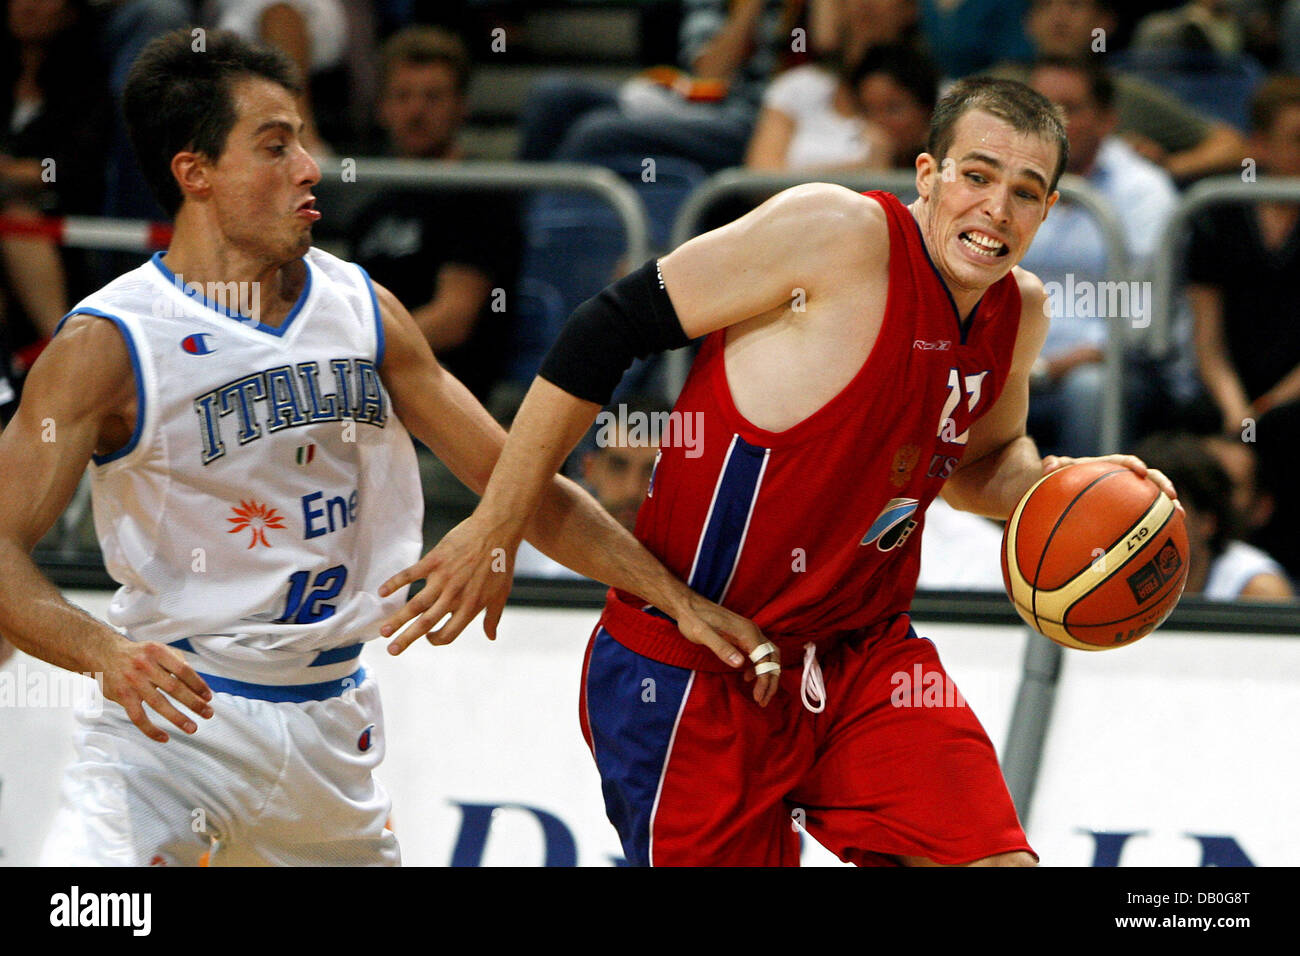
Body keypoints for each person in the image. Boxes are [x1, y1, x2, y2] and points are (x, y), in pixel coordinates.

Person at [0, 29, 765, 868]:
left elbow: (520, 486)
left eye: (303, 139)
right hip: (173, 726)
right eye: (275, 146)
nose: (309, 168)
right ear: (196, 173)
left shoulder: (363, 308)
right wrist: (99, 650)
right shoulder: (110, 343)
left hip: (334, 731)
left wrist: (670, 596)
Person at [382, 76, 1179, 866]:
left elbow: (981, 466)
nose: (997, 210)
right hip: (701, 664)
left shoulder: (1020, 310)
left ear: (1049, 210)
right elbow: (608, 326)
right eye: (977, 176)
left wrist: (1066, 488)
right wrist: (494, 523)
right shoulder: (833, 232)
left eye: (1026, 192)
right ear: (930, 176)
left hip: (865, 658)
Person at [1019, 56, 1180, 457]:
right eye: (1036, 109)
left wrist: (1046, 369)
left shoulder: (1144, 192)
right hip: (1010, 367)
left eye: (1068, 110)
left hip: (1113, 370)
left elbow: (1141, 324)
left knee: (1089, 390)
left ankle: (1089, 517)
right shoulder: (1002, 183)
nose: (1049, 124)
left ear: (1107, 119)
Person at [351, 26, 520, 405]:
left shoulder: (483, 196)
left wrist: (357, 352)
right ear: (382, 108)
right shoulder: (371, 211)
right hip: (374, 387)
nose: (416, 111)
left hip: (449, 395)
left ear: (462, 106)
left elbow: (453, 320)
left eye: (433, 97)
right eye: (402, 96)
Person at [1184, 73, 1300, 581]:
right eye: (1297, 138)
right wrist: (1236, 409)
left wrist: (1267, 408)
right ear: (1259, 145)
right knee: (1187, 430)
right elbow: (1207, 341)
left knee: (1287, 432)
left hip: (1292, 393)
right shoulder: (1219, 218)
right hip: (1229, 385)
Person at [514, 395, 669, 579]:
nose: (632, 490)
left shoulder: (705, 567)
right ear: (590, 469)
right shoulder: (536, 561)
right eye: (617, 466)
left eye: (652, 471)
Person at [1133, 432, 1293, 601]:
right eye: (1143, 510)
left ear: (1207, 521)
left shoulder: (1258, 589)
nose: (1149, 525)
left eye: (1165, 510)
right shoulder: (1112, 570)